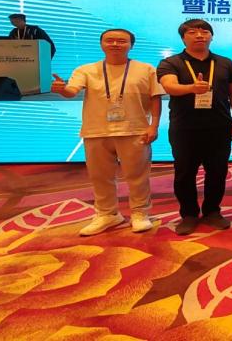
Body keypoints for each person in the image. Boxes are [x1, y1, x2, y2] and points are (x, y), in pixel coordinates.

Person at [51, 28, 164, 236]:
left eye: (121, 41)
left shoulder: (146, 69)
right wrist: (62, 89)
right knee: (100, 176)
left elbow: (155, 98)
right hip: (96, 131)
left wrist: (153, 125)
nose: (115, 44)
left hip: (134, 130)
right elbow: (71, 91)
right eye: (109, 40)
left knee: (138, 176)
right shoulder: (86, 70)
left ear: (131, 45)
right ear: (101, 44)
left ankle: (140, 213)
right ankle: (107, 214)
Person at [158, 19, 232, 236]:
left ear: (211, 37)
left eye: (205, 32)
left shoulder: (224, 62)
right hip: (185, 128)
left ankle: (212, 211)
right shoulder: (171, 63)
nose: (199, 36)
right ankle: (189, 214)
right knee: (185, 173)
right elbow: (169, 86)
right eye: (193, 32)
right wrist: (191, 88)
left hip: (219, 126)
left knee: (218, 172)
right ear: (183, 38)